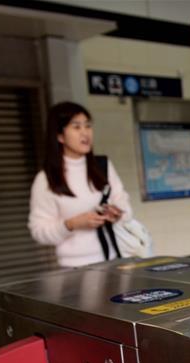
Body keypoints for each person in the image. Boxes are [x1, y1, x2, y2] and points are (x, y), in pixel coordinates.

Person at [29, 101, 134, 268]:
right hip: (74, 269)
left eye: (88, 126)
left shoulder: (103, 166)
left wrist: (117, 213)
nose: (85, 133)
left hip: (114, 260)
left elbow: (124, 204)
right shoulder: (46, 179)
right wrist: (71, 224)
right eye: (76, 127)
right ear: (60, 136)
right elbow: (39, 231)